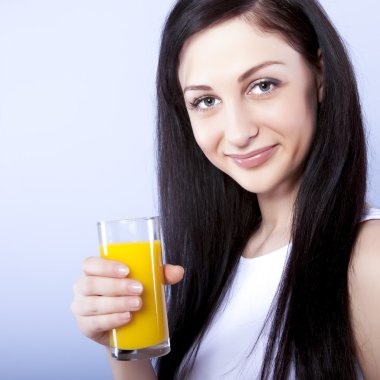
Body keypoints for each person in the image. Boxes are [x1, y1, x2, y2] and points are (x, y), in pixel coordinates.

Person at [71, 0, 380, 378]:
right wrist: (122, 344)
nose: (237, 132)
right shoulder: (220, 258)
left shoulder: (368, 256)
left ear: (320, 76)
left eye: (263, 86)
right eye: (206, 101)